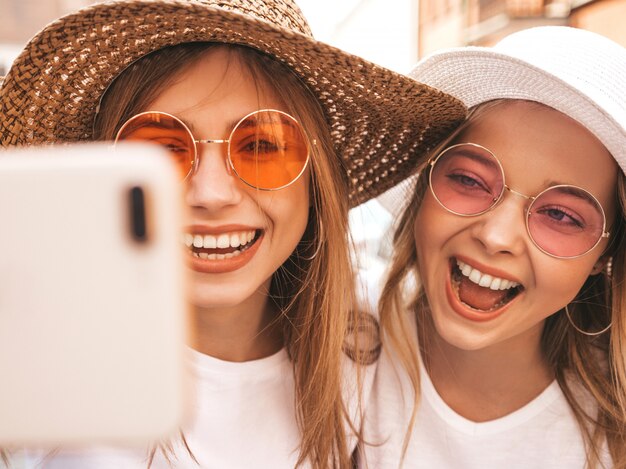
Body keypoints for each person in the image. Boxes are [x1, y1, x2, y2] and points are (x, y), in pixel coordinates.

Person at [0, 1, 466, 468]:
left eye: (263, 145)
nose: (212, 193)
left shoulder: (378, 350)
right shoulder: (35, 371)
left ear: (315, 180)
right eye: (161, 149)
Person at [360, 26, 626, 468]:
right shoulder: (339, 341)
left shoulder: (612, 434)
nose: (495, 236)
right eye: (468, 180)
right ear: (425, 184)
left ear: (605, 254)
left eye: (561, 215)